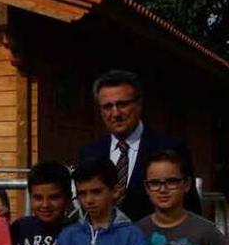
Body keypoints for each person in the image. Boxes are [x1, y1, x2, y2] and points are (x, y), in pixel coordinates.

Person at [79, 69, 200, 222]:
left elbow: (191, 209)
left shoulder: (170, 148)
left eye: (122, 104)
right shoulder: (89, 152)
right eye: (108, 106)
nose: (115, 113)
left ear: (139, 104)